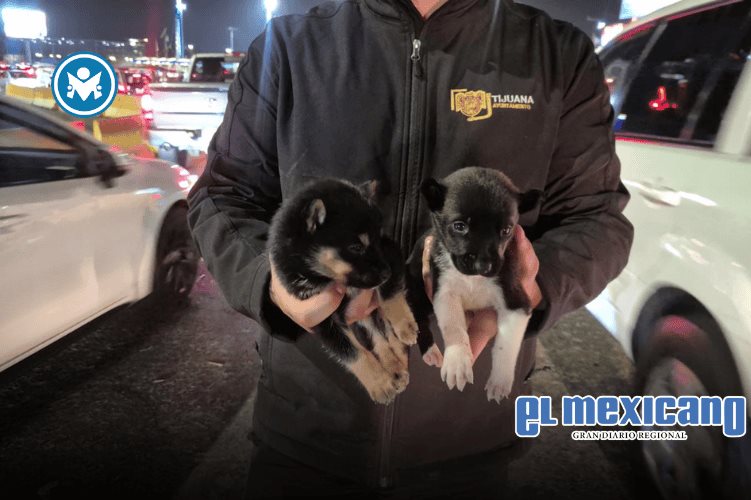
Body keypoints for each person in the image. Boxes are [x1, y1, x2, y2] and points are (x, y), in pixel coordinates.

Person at [187, 0, 634, 497]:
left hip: (468, 446)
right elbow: (221, 194)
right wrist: (266, 282)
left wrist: (537, 286)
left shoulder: (557, 55)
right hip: (306, 438)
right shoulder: (289, 48)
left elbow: (598, 219)